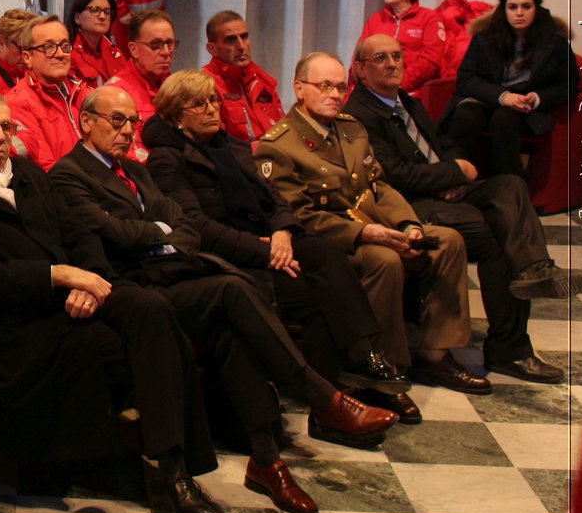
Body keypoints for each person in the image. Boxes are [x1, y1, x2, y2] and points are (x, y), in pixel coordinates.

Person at [0, 92, 244, 513]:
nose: (1, 137)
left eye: (7, 127)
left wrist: (86, 279)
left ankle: (179, 474)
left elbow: (80, 233)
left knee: (152, 310)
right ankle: (162, 482)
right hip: (4, 325)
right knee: (118, 347)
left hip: (69, 296)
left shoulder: (27, 174)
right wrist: (56, 276)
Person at [51, 85, 398, 513]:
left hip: (174, 274)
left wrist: (158, 233)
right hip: (136, 289)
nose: (126, 131)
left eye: (132, 123)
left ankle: (268, 460)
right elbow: (117, 235)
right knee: (233, 289)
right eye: (116, 121)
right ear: (86, 121)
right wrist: (160, 234)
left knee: (235, 322)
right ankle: (321, 398)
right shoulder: (68, 175)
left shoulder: (134, 171)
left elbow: (184, 227)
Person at [140, 71, 411, 403]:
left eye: (214, 100)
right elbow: (196, 226)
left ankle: (361, 355)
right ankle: (329, 397)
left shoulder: (230, 147)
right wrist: (262, 251)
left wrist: (282, 232)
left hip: (269, 242)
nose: (211, 109)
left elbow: (275, 200)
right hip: (228, 257)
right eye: (199, 104)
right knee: (314, 292)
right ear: (176, 114)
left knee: (324, 251)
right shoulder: (167, 159)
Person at [347, 34, 582, 384]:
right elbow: (394, 176)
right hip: (408, 206)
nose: (392, 63)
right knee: (499, 236)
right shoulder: (359, 115)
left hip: (444, 190)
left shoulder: (407, 103)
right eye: (380, 57)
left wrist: (455, 170)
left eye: (397, 55)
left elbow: (444, 144)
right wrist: (454, 172)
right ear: (360, 69)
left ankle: (536, 268)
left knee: (510, 186)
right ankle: (510, 348)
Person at [256, 53, 490, 397]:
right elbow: (300, 216)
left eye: (340, 86)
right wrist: (366, 232)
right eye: (324, 86)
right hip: (336, 241)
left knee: (447, 240)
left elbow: (378, 186)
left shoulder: (352, 129)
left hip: (377, 225)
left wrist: (409, 224)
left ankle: (435, 352)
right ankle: (382, 363)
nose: (335, 94)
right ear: (299, 89)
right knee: (385, 260)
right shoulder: (279, 145)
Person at [443, 0, 578, 181]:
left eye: (526, 6)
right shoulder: (485, 38)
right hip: (487, 97)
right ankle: (452, 181)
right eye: (512, 7)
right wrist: (502, 96)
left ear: (537, 8)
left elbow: (569, 85)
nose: (519, 13)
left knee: (503, 119)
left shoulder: (554, 42)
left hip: (525, 105)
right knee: (465, 115)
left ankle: (510, 190)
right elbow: (466, 79)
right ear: (504, 9)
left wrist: (538, 97)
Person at [4, 15, 88, 170]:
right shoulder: (16, 104)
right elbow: (46, 169)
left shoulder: (82, 92)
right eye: (49, 47)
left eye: (64, 46)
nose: (60, 54)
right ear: (28, 58)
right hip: (64, 190)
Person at [358, 0, 450, 95]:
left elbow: (430, 63)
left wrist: (398, 84)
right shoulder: (375, 19)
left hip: (412, 89)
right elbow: (360, 55)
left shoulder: (429, 18)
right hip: (375, 88)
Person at [202, 10, 284, 146]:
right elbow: (214, 147)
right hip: (238, 164)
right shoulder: (204, 86)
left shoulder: (263, 81)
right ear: (212, 49)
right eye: (231, 39)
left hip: (274, 160)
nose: (241, 46)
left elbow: (284, 130)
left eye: (244, 37)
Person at [106, 8, 178, 160]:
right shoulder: (114, 94)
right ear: (133, 49)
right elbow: (121, 155)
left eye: (169, 43)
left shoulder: (179, 89)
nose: (166, 52)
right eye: (155, 44)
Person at [66, 0, 127, 88]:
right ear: (77, 18)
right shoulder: (68, 54)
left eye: (107, 12)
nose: (102, 16)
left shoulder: (116, 53)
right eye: (95, 10)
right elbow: (70, 96)